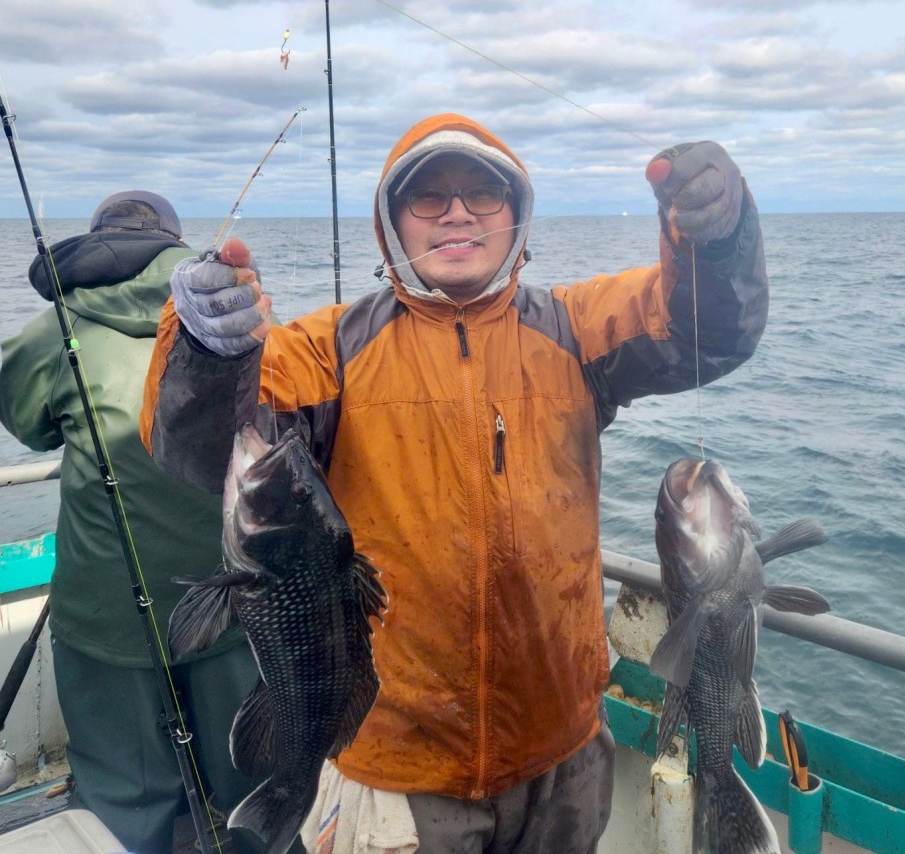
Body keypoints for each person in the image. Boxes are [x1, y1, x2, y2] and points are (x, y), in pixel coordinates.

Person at [140, 113, 769, 854]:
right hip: (393, 764)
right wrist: (207, 351)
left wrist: (717, 237)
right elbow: (202, 447)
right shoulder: (329, 348)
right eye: (428, 198)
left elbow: (705, 330)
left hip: (562, 754)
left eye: (482, 194)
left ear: (516, 218)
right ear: (391, 225)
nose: (458, 212)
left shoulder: (573, 328)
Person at [0, 192, 278, 854]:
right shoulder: (248, 309)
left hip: (105, 607)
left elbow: (27, 424)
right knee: (256, 787)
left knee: (125, 798)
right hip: (231, 603)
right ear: (175, 242)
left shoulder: (54, 328)